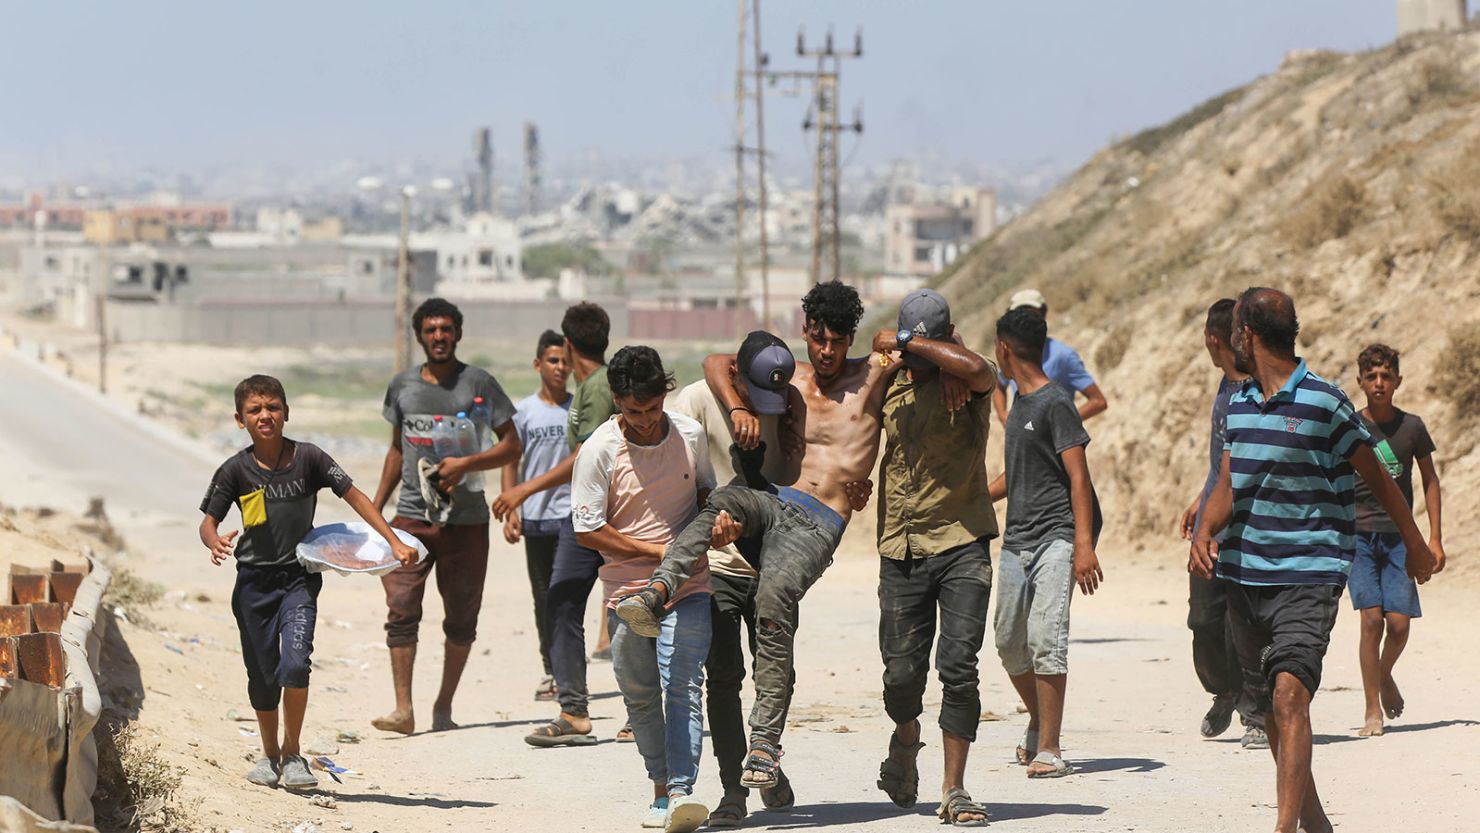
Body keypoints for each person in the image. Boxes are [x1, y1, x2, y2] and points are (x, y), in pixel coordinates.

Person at [615, 280, 890, 789]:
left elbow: (928, 346)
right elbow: (720, 360)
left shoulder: (872, 375)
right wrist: (740, 408)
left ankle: (763, 746)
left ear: (852, 336)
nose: (827, 352)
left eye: (838, 341)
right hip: (777, 501)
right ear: (804, 331)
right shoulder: (792, 376)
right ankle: (658, 592)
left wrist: (891, 339)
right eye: (818, 338)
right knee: (721, 499)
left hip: (821, 519)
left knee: (774, 598)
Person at [1190, 288, 1437, 833]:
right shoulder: (1236, 400)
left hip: (1310, 571)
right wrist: (1205, 529)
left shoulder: (1325, 401)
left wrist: (1414, 543)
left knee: (1289, 693)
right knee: (1275, 710)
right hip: (1243, 572)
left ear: (1245, 335)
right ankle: (1315, 821)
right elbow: (1231, 478)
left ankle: (1283, 829)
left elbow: (1378, 475)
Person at [199, 375, 418, 791]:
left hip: (298, 580)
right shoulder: (235, 470)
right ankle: (269, 756)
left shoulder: (309, 459)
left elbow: (355, 496)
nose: (265, 415)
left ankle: (294, 753)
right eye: (255, 410)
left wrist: (391, 541)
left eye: (273, 407)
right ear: (240, 419)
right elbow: (208, 522)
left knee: (296, 664)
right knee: (262, 675)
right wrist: (214, 542)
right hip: (252, 586)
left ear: (286, 412)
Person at [572, 346, 715, 832]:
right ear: (617, 402)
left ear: (665, 396)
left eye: (653, 410)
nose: (646, 422)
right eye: (634, 412)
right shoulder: (598, 450)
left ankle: (680, 792)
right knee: (639, 693)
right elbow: (587, 529)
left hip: (688, 583)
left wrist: (715, 525)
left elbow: (705, 496)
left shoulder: (690, 436)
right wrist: (655, 553)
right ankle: (660, 787)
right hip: (626, 591)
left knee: (683, 683)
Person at [871, 289, 997, 827]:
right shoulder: (891, 380)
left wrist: (922, 348)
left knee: (959, 667)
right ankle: (905, 738)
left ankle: (955, 788)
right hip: (900, 547)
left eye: (928, 353)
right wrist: (892, 362)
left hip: (962, 541)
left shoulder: (969, 382)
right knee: (901, 676)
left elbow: (976, 366)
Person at [668, 331, 802, 827]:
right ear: (735, 375)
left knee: (779, 676)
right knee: (723, 680)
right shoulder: (697, 401)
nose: (762, 405)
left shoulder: (786, 399)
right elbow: (681, 476)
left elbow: (793, 479)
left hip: (774, 564)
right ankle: (732, 792)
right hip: (719, 566)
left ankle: (763, 760)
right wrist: (712, 515)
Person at [371, 298, 520, 734]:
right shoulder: (402, 386)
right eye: (431, 330)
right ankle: (403, 709)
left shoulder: (480, 384)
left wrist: (465, 466)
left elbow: (511, 445)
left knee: (461, 617)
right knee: (400, 608)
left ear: (458, 333)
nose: (439, 336)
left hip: (467, 521)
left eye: (446, 329)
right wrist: (376, 510)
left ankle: (443, 707)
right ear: (419, 336)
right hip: (413, 519)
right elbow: (397, 450)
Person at [495, 303, 624, 747]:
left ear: (568, 347)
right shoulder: (589, 387)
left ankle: (635, 712)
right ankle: (574, 710)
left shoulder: (596, 389)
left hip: (597, 515)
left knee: (614, 606)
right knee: (560, 602)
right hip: (577, 516)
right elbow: (512, 450)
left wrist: (521, 492)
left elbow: (584, 455)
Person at [987, 306, 1103, 778]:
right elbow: (1015, 475)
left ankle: (1050, 748)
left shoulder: (1056, 402)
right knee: (1008, 640)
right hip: (1016, 540)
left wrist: (1083, 545)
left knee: (1045, 640)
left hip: (1056, 536)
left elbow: (1079, 477)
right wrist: (972, 497)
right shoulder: (1017, 402)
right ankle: (1038, 720)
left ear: (1004, 348)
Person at [1176, 299, 1268, 750]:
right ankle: (1224, 690)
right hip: (1211, 525)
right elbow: (1222, 462)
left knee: (1246, 623)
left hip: (1248, 527)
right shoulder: (1224, 387)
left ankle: (1256, 714)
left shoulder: (1258, 389)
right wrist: (1201, 498)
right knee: (1203, 620)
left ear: (1215, 340)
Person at [1348, 343, 1446, 737]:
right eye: (1371, 376)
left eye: (1386, 375)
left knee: (1400, 626)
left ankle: (1382, 675)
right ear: (1360, 381)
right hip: (1358, 537)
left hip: (1400, 539)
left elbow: (1430, 481)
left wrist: (1434, 539)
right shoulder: (1351, 426)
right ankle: (1373, 708)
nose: (1379, 382)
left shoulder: (1413, 428)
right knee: (1372, 620)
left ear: (1398, 381)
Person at [501, 330, 572, 702]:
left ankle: (568, 672)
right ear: (538, 364)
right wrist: (512, 507)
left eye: (565, 361)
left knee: (565, 597)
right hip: (536, 518)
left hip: (571, 517)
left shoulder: (579, 410)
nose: (560, 368)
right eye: (553, 360)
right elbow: (510, 459)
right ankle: (552, 670)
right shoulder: (525, 412)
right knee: (542, 597)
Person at [992, 289, 1108, 425]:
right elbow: (999, 385)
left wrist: (1057, 425)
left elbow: (1098, 401)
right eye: (1019, 314)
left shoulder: (1063, 356)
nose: (1026, 319)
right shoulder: (1012, 355)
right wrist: (1003, 415)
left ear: (1043, 314)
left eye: (1031, 313)